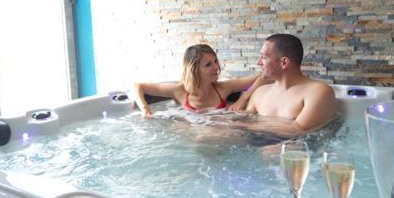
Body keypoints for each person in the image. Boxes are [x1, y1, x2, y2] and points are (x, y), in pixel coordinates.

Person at [233, 34, 337, 137]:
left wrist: (242, 125)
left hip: (293, 148)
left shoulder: (318, 91)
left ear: (284, 62)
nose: (258, 62)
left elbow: (297, 130)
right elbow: (245, 121)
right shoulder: (260, 92)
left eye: (264, 57)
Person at [131, 44, 265, 118]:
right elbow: (137, 86)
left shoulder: (223, 88)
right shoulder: (180, 91)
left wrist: (243, 98)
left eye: (215, 61)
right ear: (194, 70)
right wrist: (145, 109)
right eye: (208, 65)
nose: (216, 67)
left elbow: (264, 76)